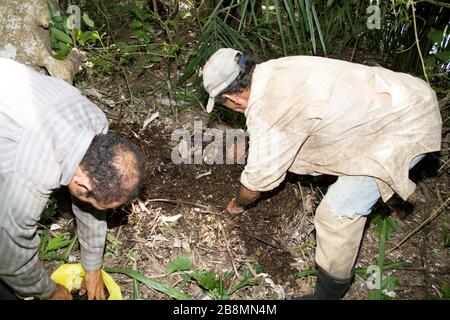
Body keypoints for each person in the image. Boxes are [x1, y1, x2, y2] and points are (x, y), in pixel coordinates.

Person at [202, 48, 442, 299]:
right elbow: (296, 112)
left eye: (225, 104)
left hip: (405, 126)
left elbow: (257, 181)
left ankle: (327, 295)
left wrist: (237, 205)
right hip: (404, 95)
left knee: (336, 213)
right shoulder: (273, 71)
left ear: (232, 98)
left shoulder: (269, 109)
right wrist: (252, 139)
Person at [0, 58, 145, 300]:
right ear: (83, 187)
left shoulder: (94, 121)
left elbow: (88, 206)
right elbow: (10, 259)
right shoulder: (31, 174)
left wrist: (92, 266)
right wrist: (51, 292)